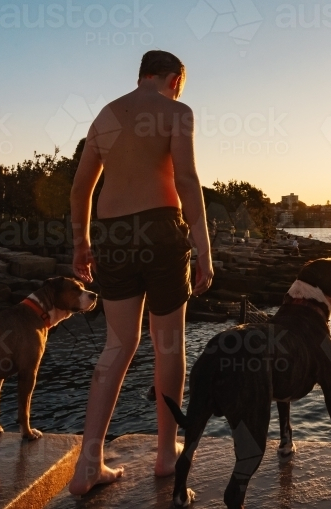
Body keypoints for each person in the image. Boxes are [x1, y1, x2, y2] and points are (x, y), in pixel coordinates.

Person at [68, 50, 213, 495]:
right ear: (173, 79)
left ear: (142, 75)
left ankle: (88, 464)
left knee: (119, 343)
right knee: (168, 344)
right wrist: (203, 247)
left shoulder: (106, 116)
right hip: (160, 229)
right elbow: (186, 180)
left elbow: (80, 189)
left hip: (111, 234)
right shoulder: (177, 111)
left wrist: (82, 243)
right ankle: (166, 455)